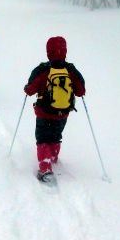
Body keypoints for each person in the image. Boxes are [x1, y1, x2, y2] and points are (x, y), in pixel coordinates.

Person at [23, 36, 85, 183]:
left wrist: (27, 88)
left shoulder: (43, 69)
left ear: (48, 52)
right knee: (56, 135)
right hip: (63, 113)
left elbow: (30, 90)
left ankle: (45, 168)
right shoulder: (70, 69)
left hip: (44, 112)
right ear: (65, 51)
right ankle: (53, 157)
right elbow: (81, 91)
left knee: (43, 138)